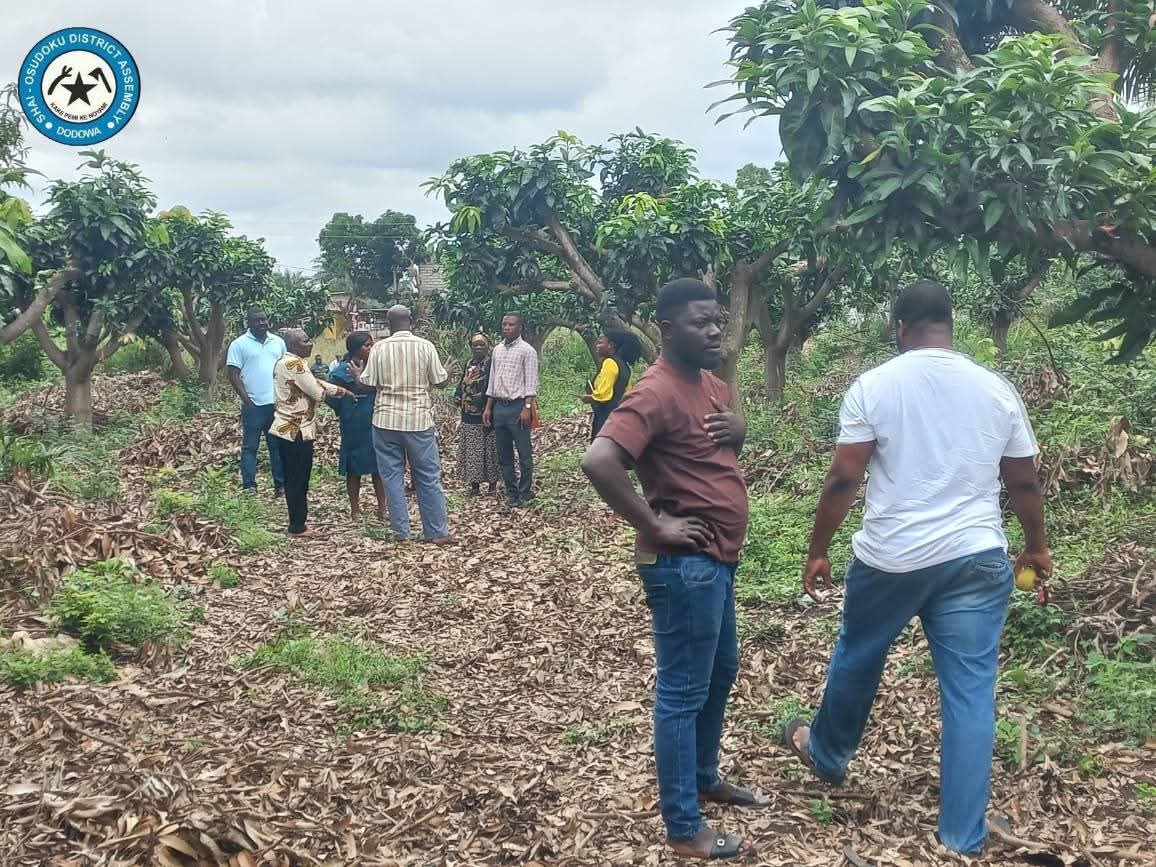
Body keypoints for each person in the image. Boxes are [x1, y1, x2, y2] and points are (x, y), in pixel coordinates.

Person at [784, 279, 1051, 857]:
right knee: (971, 694)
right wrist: (1036, 546)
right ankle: (962, 835)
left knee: (859, 654)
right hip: (977, 557)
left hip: (892, 560)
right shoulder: (995, 388)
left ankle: (827, 754)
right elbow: (1024, 479)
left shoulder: (875, 387)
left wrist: (818, 547)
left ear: (898, 327)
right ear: (949, 325)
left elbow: (844, 478)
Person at [582, 279, 760, 861]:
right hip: (685, 568)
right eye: (699, 323)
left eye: (716, 321)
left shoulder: (709, 384)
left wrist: (740, 429)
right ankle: (685, 828)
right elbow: (601, 460)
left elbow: (723, 435)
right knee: (683, 692)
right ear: (666, 328)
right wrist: (653, 525)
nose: (713, 331)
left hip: (717, 560)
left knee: (720, 671)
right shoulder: (653, 392)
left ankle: (704, 777)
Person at [358, 305, 455, 543]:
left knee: (392, 477)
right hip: (418, 421)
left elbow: (369, 383)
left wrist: (356, 377)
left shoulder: (379, 348)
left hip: (385, 422)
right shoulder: (425, 346)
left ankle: (401, 532)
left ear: (389, 323)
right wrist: (448, 372)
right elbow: (439, 381)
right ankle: (436, 532)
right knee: (428, 476)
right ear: (410, 320)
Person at [269, 329, 353, 537]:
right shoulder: (295, 364)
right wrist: (341, 393)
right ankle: (298, 526)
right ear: (294, 345)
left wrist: (342, 391)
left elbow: (314, 383)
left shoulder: (285, 362)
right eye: (305, 340)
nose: (310, 343)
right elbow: (317, 392)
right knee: (298, 478)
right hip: (296, 430)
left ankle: (297, 522)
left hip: (284, 428)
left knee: (293, 478)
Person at [326, 331, 386, 521]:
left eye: (371, 344)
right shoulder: (341, 371)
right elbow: (329, 395)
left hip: (376, 420)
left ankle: (382, 509)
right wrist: (344, 409)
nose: (370, 348)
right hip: (353, 423)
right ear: (355, 349)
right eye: (366, 345)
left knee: (379, 466)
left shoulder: (375, 368)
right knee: (353, 468)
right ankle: (355, 510)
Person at [226, 308, 286, 496]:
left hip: (276, 404)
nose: (261, 323)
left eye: (264, 320)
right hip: (253, 406)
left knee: (276, 447)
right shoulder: (239, 344)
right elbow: (233, 374)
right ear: (249, 323)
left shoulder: (278, 342)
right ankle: (250, 487)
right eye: (256, 320)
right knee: (250, 447)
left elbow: (286, 369)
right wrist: (246, 400)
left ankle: (280, 486)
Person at [483, 313, 539, 510]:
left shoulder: (527, 351)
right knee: (504, 455)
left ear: (519, 327)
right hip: (499, 407)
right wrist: (489, 407)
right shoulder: (497, 350)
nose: (507, 327)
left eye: (511, 324)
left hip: (518, 407)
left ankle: (525, 493)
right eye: (504, 324)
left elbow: (531, 382)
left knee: (524, 453)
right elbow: (492, 380)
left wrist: (527, 407)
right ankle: (511, 493)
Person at [455, 334, 499, 496]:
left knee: (489, 451)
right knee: (472, 451)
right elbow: (462, 383)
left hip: (486, 414)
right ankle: (475, 486)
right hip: (469, 415)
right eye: (475, 345)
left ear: (488, 346)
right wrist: (458, 396)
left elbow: (493, 386)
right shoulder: (468, 363)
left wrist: (486, 403)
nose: (478, 348)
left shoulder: (491, 364)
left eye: (482, 344)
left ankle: (493, 486)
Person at [581, 329, 643, 440]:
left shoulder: (609, 363)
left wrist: (588, 398)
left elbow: (603, 396)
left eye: (600, 342)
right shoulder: (624, 365)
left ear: (611, 345)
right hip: (619, 417)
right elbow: (627, 391)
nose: (597, 345)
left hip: (605, 418)